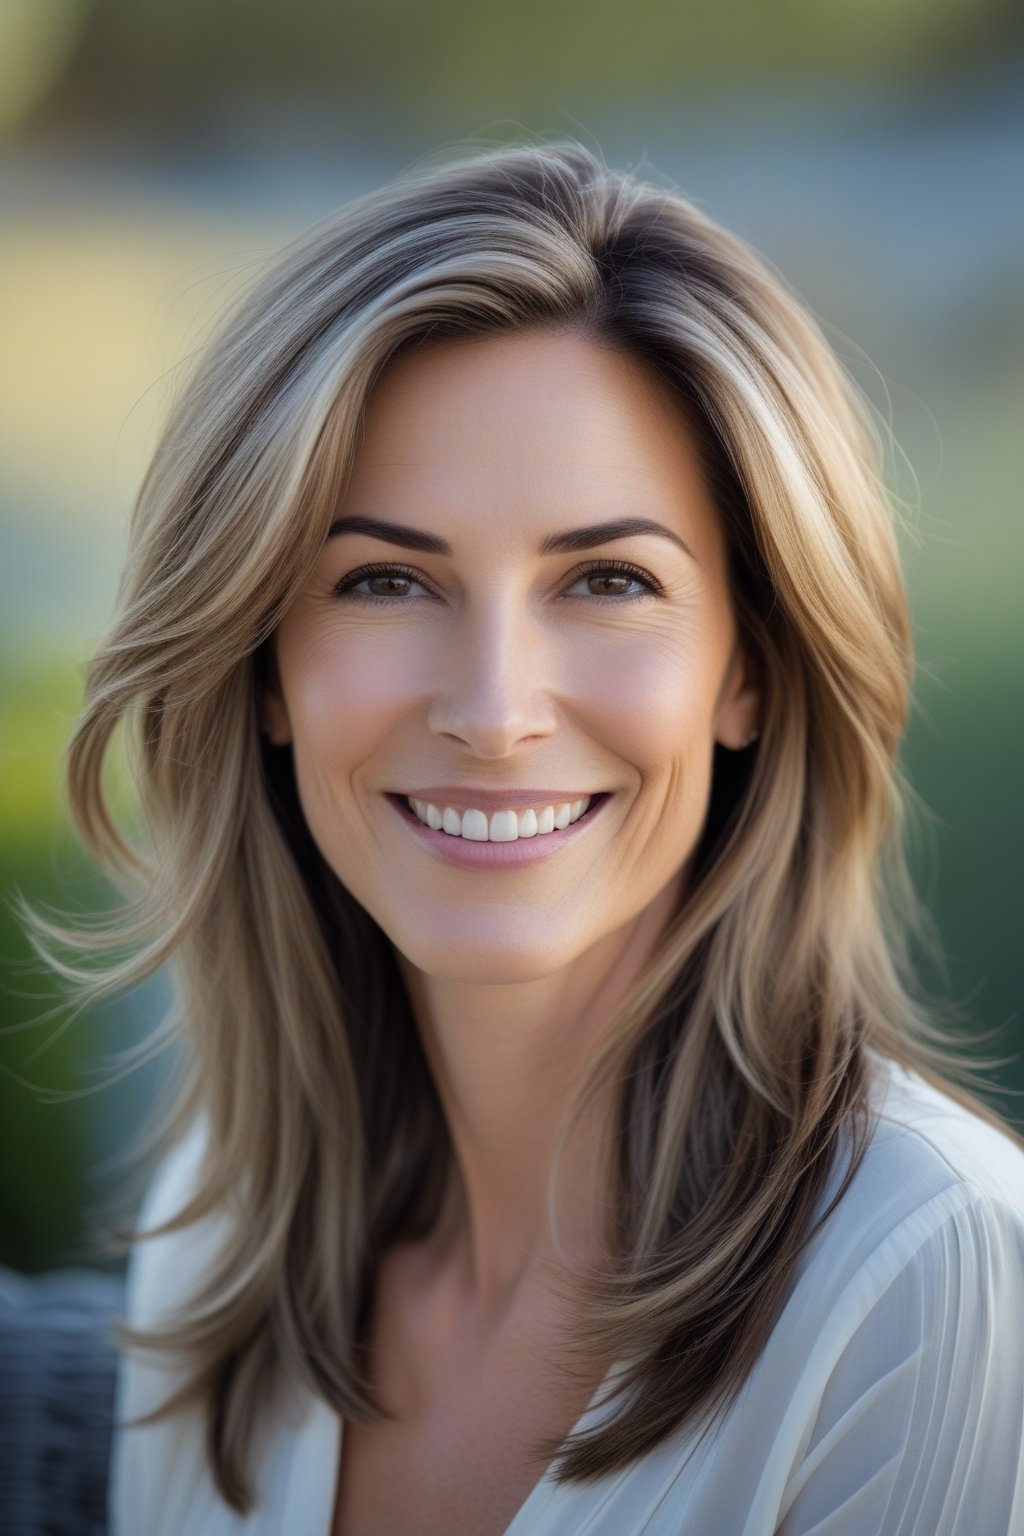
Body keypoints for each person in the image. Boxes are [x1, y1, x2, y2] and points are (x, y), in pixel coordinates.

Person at [36, 142, 1024, 1534]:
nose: (494, 711)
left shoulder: (932, 1281)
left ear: (750, 669)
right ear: (262, 666)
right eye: (384, 580)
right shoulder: (221, 1237)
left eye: (608, 580)